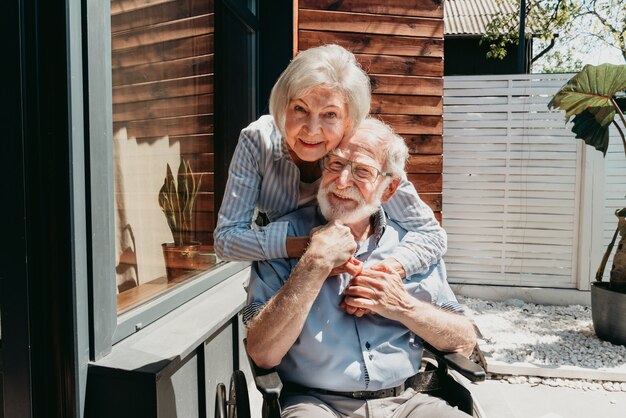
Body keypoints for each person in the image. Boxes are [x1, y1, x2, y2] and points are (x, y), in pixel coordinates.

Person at [244, 118, 477, 418]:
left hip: (407, 402)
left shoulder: (411, 248)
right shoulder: (281, 241)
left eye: (362, 171)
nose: (342, 182)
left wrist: (402, 306)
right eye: (335, 165)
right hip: (316, 404)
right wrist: (313, 265)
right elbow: (261, 351)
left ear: (389, 188)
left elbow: (465, 340)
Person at [213, 44, 446, 278]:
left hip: (358, 266)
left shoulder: (367, 149)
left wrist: (387, 270)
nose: (312, 130)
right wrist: (313, 248)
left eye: (330, 114)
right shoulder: (258, 140)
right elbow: (226, 240)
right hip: (285, 272)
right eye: (300, 109)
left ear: (349, 120)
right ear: (283, 107)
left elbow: (430, 234)